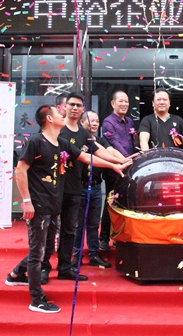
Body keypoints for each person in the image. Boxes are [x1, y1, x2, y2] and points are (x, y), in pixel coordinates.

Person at [5, 105, 128, 314]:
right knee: (37, 252)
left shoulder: (61, 143)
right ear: (49, 119)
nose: (62, 115)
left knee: (48, 249)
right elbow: (21, 170)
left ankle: (16, 274)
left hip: (54, 204)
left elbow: (86, 157)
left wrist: (114, 165)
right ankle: (37, 299)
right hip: (39, 204)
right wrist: (26, 201)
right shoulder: (36, 141)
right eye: (58, 113)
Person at [41, 92, 129, 284]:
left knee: (70, 230)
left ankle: (65, 267)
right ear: (64, 107)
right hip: (54, 188)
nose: (75, 108)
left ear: (83, 109)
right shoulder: (57, 129)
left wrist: (120, 162)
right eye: (71, 104)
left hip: (74, 188)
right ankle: (44, 267)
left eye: (78, 105)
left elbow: (98, 152)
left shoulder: (82, 134)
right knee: (50, 230)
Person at [74, 110, 126, 268]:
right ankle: (76, 257)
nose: (95, 124)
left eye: (97, 121)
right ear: (82, 122)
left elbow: (110, 151)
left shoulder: (101, 140)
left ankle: (94, 255)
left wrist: (124, 160)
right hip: (78, 187)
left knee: (94, 224)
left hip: (96, 187)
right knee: (78, 225)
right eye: (91, 121)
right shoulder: (77, 139)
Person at [100, 90, 136, 251]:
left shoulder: (130, 121)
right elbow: (114, 143)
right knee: (111, 203)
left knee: (126, 205)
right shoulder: (108, 122)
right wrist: (127, 159)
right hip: (115, 169)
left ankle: (120, 237)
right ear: (113, 103)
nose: (124, 104)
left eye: (126, 101)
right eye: (121, 101)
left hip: (129, 168)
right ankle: (103, 238)